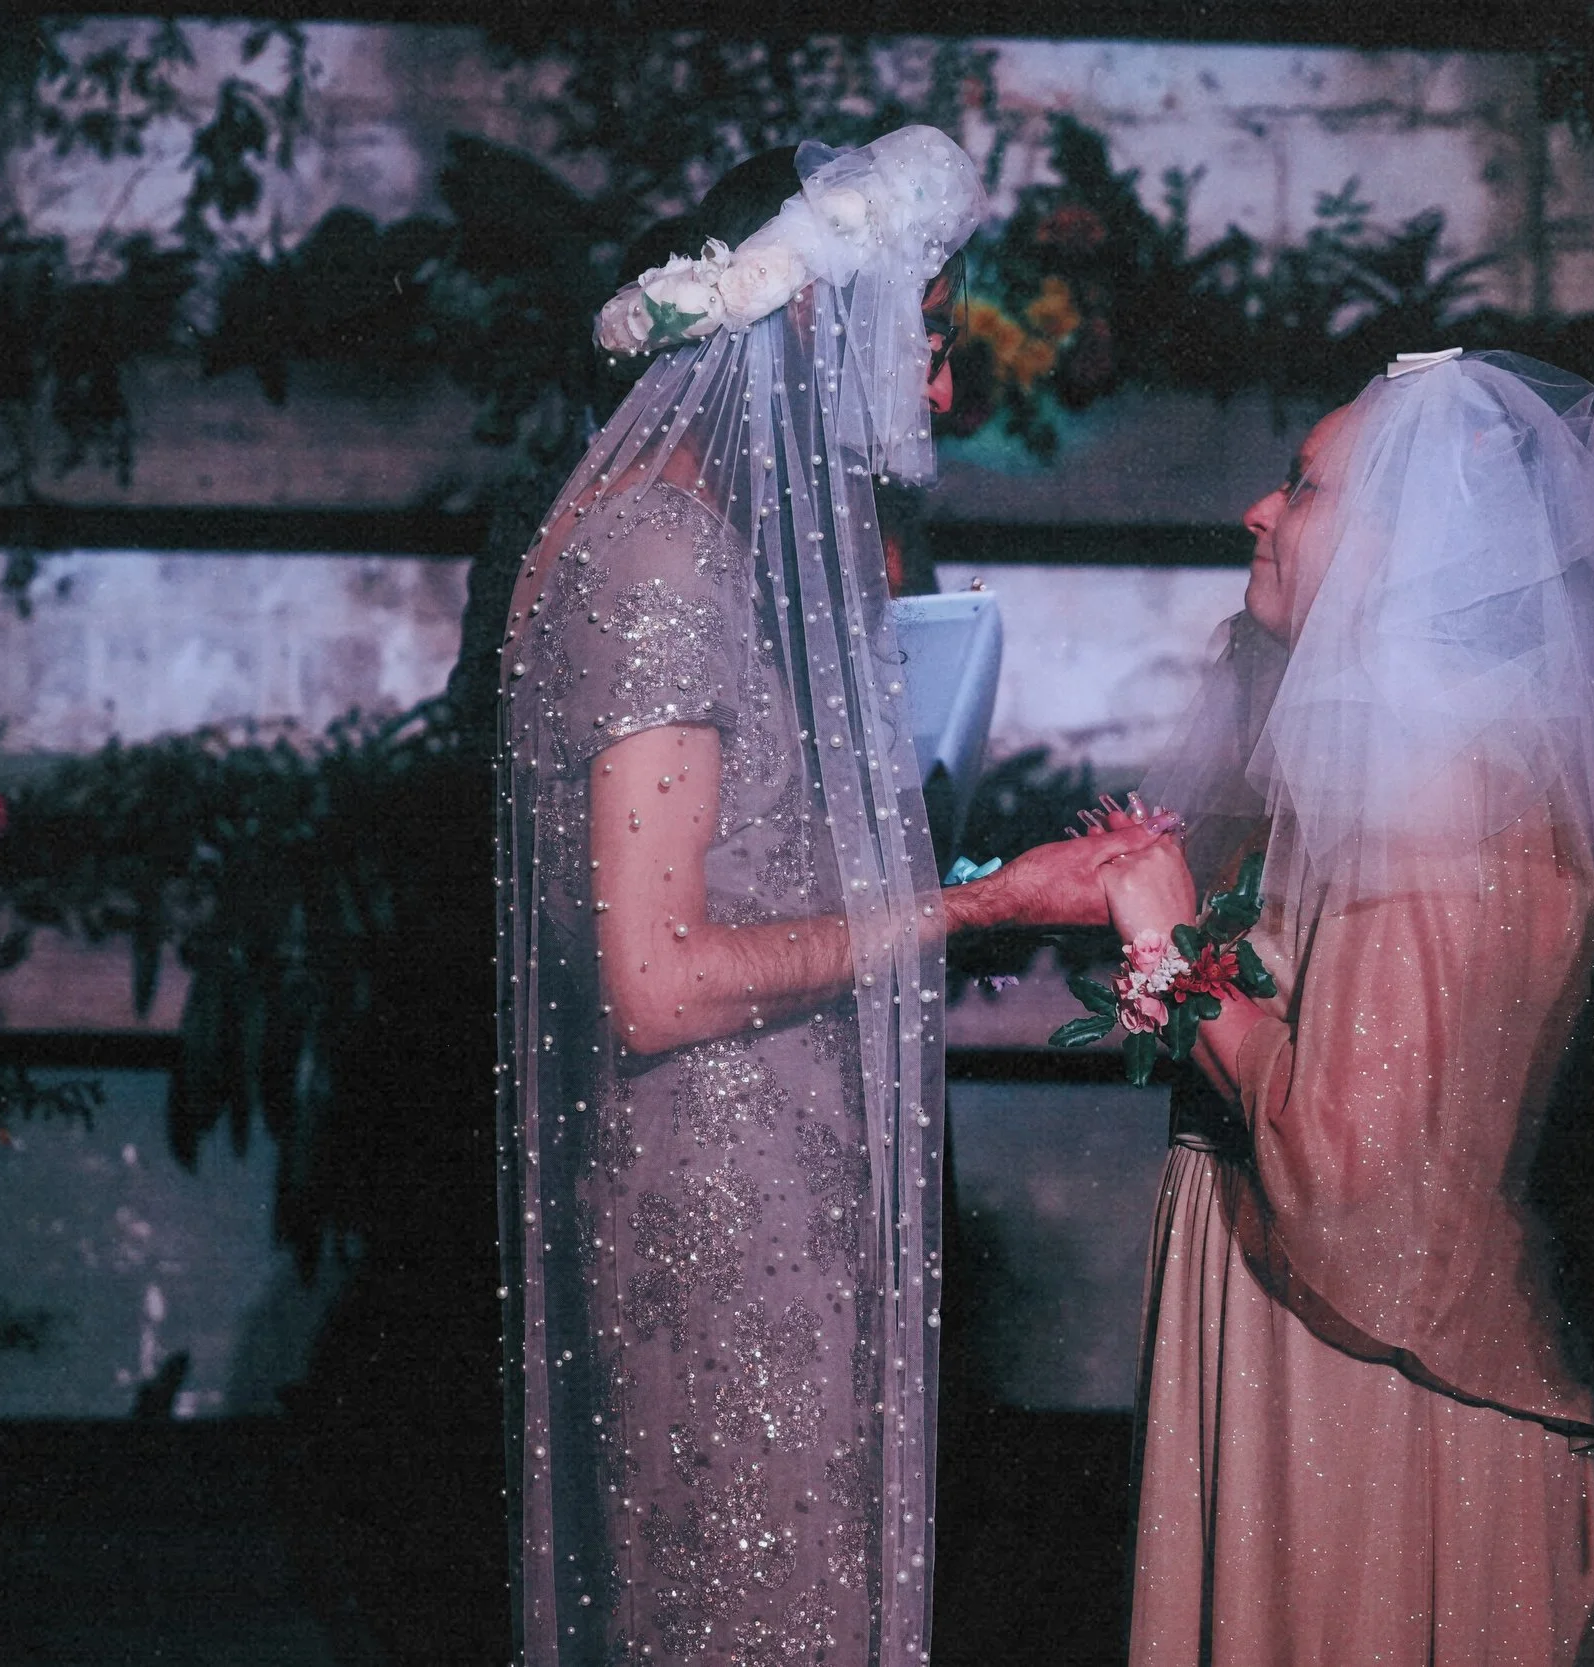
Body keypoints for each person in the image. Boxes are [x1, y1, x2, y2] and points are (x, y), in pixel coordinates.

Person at [493, 127, 1157, 1667]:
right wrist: (977, 910)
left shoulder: (678, 541)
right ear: (810, 324)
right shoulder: (661, 562)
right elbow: (657, 976)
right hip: (727, 1224)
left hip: (755, 1184)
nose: (935, 392)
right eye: (920, 341)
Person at [1087, 349, 1594, 1663]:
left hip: (1371, 1401)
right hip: (1322, 1367)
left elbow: (1358, 1170)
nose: (1259, 509)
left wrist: (1173, 962)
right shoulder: (1426, 758)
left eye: (1303, 488)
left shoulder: (1432, 792)